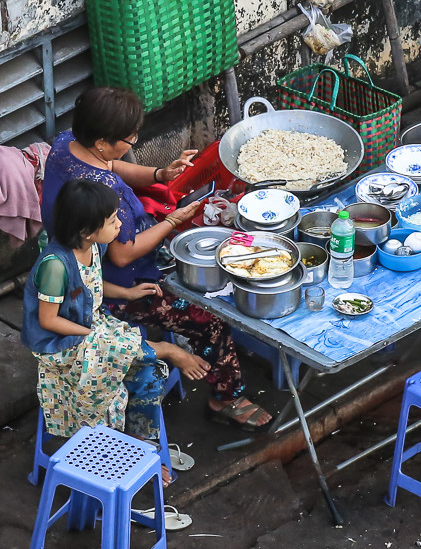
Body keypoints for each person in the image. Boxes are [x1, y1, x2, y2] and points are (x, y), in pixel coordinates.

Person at [41, 87, 273, 431]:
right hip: (111, 283)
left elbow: (112, 164)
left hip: (80, 253)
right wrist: (171, 222)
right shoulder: (106, 192)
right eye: (129, 137)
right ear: (102, 140)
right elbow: (122, 254)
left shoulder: (65, 145)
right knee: (209, 316)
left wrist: (159, 175)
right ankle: (226, 398)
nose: (134, 141)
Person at [21, 179, 211, 481]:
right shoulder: (56, 265)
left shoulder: (94, 245)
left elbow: (90, 286)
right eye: (112, 221)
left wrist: (128, 294)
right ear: (86, 230)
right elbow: (48, 320)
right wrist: (95, 338)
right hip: (60, 344)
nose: (120, 223)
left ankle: (139, 444)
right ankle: (169, 351)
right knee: (116, 382)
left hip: (92, 326)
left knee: (149, 374)